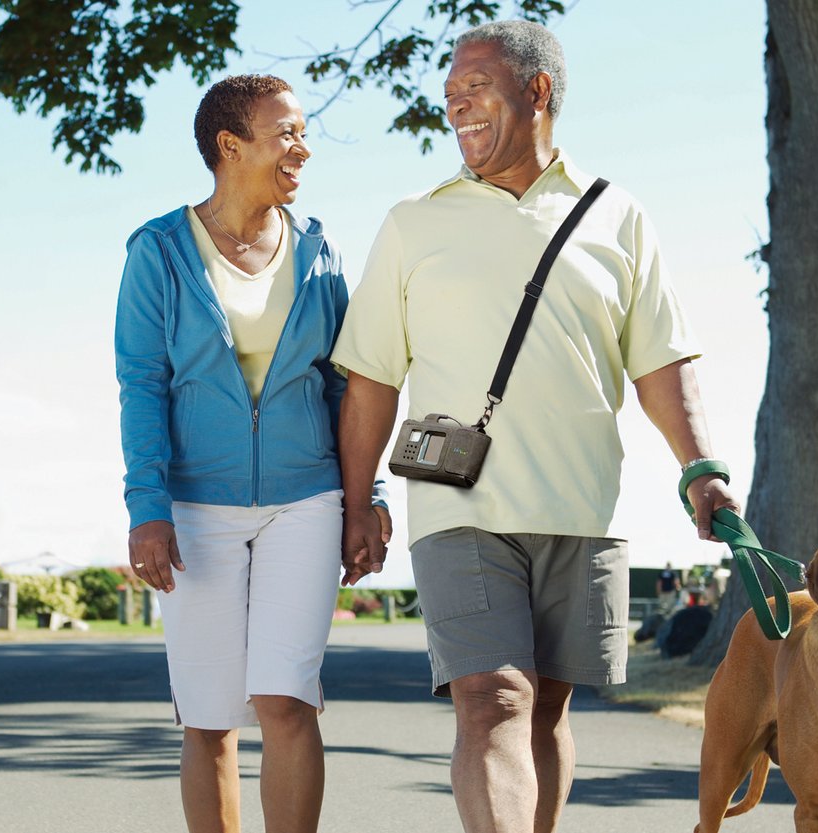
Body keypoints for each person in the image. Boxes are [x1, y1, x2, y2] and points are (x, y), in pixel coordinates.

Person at [329, 21, 740, 833]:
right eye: (450, 91)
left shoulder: (616, 216)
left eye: (474, 86)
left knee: (547, 708)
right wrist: (357, 503)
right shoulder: (414, 222)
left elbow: (661, 362)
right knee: (492, 698)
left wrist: (701, 466)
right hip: (460, 507)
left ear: (537, 92)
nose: (455, 103)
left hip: (584, 507)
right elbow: (372, 378)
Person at [115, 73, 387, 833]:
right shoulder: (159, 252)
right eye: (286, 133)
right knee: (208, 716)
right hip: (197, 507)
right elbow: (142, 387)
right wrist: (148, 508)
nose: (302, 147)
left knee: (287, 696)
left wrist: (368, 499)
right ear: (229, 146)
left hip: (306, 499)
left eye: (303, 132)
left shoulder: (319, 249)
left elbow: (348, 387)